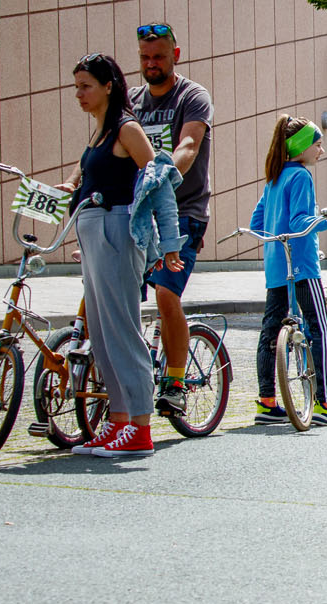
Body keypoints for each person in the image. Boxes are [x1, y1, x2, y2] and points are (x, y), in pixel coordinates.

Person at [61, 54, 184, 457]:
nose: (79, 94)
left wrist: (169, 246)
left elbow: (160, 184)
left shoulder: (125, 128)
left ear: (108, 86)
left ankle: (141, 427)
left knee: (123, 331)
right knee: (101, 333)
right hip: (95, 232)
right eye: (77, 86)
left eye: (86, 86)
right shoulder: (97, 134)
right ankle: (118, 421)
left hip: (119, 231)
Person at [130, 22, 214, 418]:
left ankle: (175, 382)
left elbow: (188, 144)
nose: (151, 64)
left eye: (159, 57)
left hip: (183, 213)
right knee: (103, 295)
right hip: (137, 211)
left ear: (175, 55)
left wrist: (163, 172)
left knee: (166, 293)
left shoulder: (192, 96)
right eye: (145, 58)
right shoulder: (131, 100)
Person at [252, 116, 327, 425]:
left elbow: (256, 224)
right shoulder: (301, 177)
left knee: (269, 334)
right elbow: (301, 223)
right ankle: (324, 405)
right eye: (318, 144)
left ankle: (266, 403)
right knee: (320, 330)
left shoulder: (274, 179)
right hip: (303, 267)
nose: (321, 150)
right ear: (302, 147)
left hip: (276, 269)